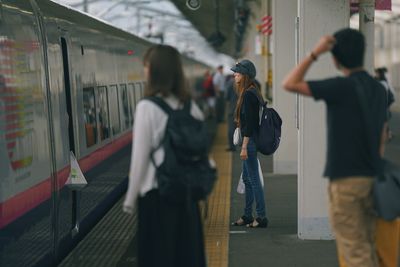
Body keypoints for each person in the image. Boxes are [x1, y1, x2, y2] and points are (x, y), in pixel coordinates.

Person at [282, 28, 388, 267]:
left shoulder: (340, 87)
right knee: (369, 245)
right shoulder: (379, 90)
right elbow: (382, 135)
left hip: (346, 182)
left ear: (335, 58)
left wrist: (314, 53)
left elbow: (289, 83)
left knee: (354, 251)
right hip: (373, 177)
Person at [123, 44, 206, 267]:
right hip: (186, 197)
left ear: (155, 70)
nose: (145, 71)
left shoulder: (147, 107)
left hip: (156, 197)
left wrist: (130, 199)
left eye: (147, 66)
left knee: (157, 258)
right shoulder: (190, 107)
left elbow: (139, 158)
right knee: (186, 257)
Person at [230, 59, 268, 228]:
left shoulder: (248, 95)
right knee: (247, 178)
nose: (234, 75)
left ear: (245, 75)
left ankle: (260, 217)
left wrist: (244, 146)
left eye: (237, 73)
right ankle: (247, 215)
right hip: (250, 141)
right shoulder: (252, 92)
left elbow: (250, 124)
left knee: (253, 180)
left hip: (249, 142)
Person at [225, 74, 237, 151]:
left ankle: (232, 147)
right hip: (243, 108)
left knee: (231, 128)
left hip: (233, 109)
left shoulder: (230, 83)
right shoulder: (246, 81)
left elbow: (226, 97)